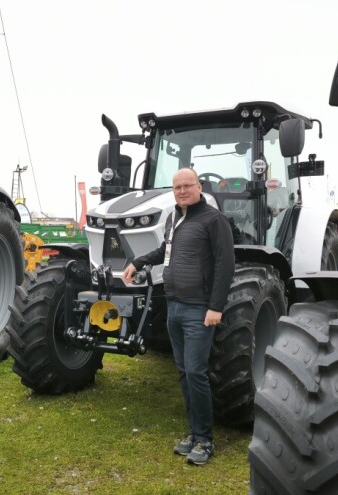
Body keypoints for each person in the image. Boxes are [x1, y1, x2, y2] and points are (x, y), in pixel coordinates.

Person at [122, 167, 235, 466]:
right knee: (184, 373)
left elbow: (225, 265)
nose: (182, 191)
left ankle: (205, 440)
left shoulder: (214, 220)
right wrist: (137, 261)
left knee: (196, 372)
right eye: (177, 187)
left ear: (199, 187)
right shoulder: (174, 218)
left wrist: (216, 306)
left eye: (188, 185)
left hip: (199, 309)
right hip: (174, 306)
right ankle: (194, 433)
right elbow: (165, 251)